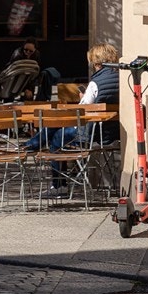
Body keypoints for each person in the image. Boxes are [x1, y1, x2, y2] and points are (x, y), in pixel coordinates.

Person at [24, 43, 122, 196]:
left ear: (96, 62)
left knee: (57, 134)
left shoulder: (95, 83)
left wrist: (83, 97)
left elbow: (81, 111)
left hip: (91, 135)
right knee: (55, 128)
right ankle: (33, 145)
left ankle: (58, 183)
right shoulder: (122, 78)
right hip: (113, 133)